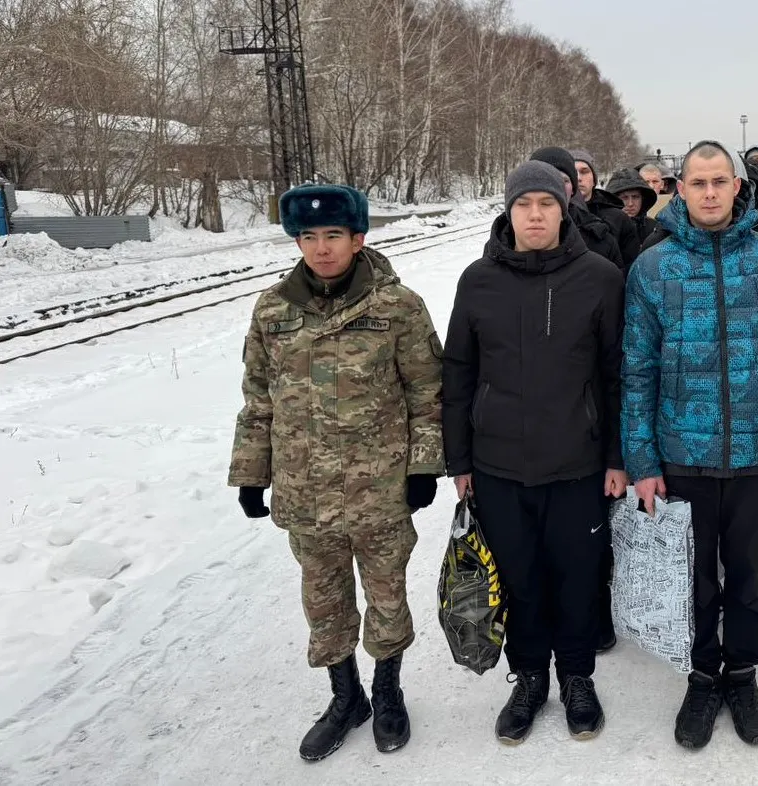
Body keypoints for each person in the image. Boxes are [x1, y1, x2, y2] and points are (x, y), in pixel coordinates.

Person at [228, 183, 443, 761]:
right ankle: (345, 697)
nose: (321, 249)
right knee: (324, 600)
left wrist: (424, 466)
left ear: (358, 238)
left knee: (387, 596)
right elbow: (258, 398)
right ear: (296, 241)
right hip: (305, 490)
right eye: (308, 237)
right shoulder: (272, 310)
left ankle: (387, 690)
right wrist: (253, 473)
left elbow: (427, 392)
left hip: (381, 487)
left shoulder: (398, 306)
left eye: (333, 236)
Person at [622, 140, 758, 750]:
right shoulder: (653, 269)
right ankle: (702, 675)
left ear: (739, 187)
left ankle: (743, 674)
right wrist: (642, 460)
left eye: (719, 182)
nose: (709, 193)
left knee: (748, 573)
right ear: (679, 189)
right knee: (695, 577)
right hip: (684, 453)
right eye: (697, 183)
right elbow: (637, 370)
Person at [441, 161, 627, 745]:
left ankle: (576, 676)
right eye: (525, 205)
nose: (536, 215)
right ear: (509, 211)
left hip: (579, 463)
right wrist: (460, 461)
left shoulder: (598, 277)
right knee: (517, 577)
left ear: (564, 208)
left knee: (576, 577)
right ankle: (528, 678)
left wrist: (619, 458)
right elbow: (459, 374)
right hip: (499, 467)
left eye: (547, 204)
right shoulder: (478, 281)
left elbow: (618, 374)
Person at [529, 146, 624, 269]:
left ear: (573, 189)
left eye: (563, 180)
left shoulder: (600, 239)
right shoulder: (505, 237)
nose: (555, 187)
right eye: (546, 179)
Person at [573, 149, 642, 266]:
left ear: (594, 179)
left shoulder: (618, 217)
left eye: (584, 172)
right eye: (573, 172)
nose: (578, 178)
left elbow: (631, 265)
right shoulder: (556, 215)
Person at [605, 167, 659, 243]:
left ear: (642, 199)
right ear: (613, 200)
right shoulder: (604, 229)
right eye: (624, 198)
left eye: (635, 197)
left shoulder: (654, 228)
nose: (630, 204)